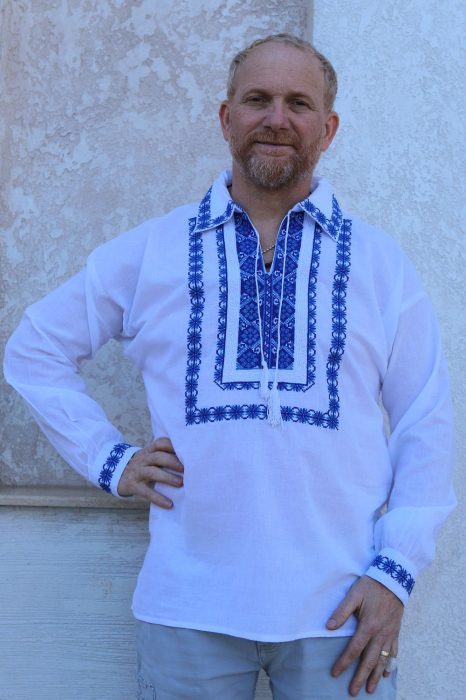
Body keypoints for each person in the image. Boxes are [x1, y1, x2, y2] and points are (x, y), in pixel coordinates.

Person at [3, 33, 457, 700]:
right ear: (226, 118)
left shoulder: (380, 265)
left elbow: (426, 420)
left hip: (343, 612)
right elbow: (34, 347)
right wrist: (109, 459)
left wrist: (396, 574)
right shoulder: (154, 251)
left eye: (299, 103)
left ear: (328, 128)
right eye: (257, 100)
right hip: (188, 608)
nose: (277, 119)